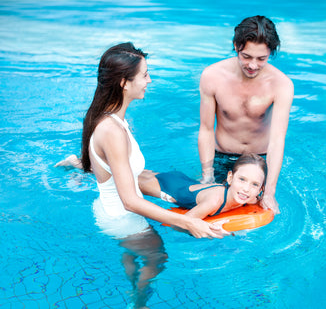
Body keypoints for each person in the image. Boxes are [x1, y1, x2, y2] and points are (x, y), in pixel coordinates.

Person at [77, 42, 228, 240]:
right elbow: (129, 201)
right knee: (157, 262)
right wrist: (189, 222)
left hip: (117, 213)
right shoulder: (112, 131)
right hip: (122, 221)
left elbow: (112, 168)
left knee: (138, 267)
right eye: (144, 75)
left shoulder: (113, 121)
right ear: (124, 82)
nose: (149, 80)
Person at [198, 15, 294, 215]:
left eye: (261, 59)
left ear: (270, 54)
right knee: (211, 212)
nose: (252, 65)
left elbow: (277, 140)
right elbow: (206, 129)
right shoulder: (212, 76)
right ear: (236, 46)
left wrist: (269, 191)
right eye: (246, 56)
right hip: (223, 157)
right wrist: (207, 175)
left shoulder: (281, 84)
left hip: (259, 161)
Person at [138, 153, 267, 219]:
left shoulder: (251, 198)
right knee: (127, 178)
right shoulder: (214, 202)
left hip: (184, 181)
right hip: (169, 189)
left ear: (260, 189)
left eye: (255, 184)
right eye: (242, 179)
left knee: (139, 171)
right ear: (230, 178)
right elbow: (182, 223)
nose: (246, 189)